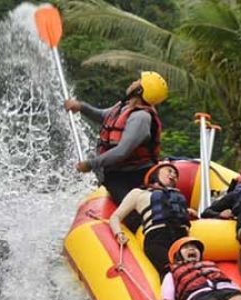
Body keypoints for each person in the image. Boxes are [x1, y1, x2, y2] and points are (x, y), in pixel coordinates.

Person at [65, 71, 168, 212]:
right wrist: (81, 107)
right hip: (118, 172)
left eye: (138, 81)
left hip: (133, 176)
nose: (133, 82)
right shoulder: (125, 106)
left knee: (130, 212)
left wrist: (90, 164)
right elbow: (102, 116)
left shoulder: (141, 118)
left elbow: (121, 152)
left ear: (139, 91)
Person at [109, 162, 197, 275]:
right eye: (169, 171)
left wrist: (188, 213)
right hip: (157, 238)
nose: (173, 175)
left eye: (176, 174)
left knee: (193, 272)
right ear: (155, 174)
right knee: (172, 271)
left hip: (182, 238)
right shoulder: (139, 194)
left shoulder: (177, 198)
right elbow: (115, 217)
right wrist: (118, 234)